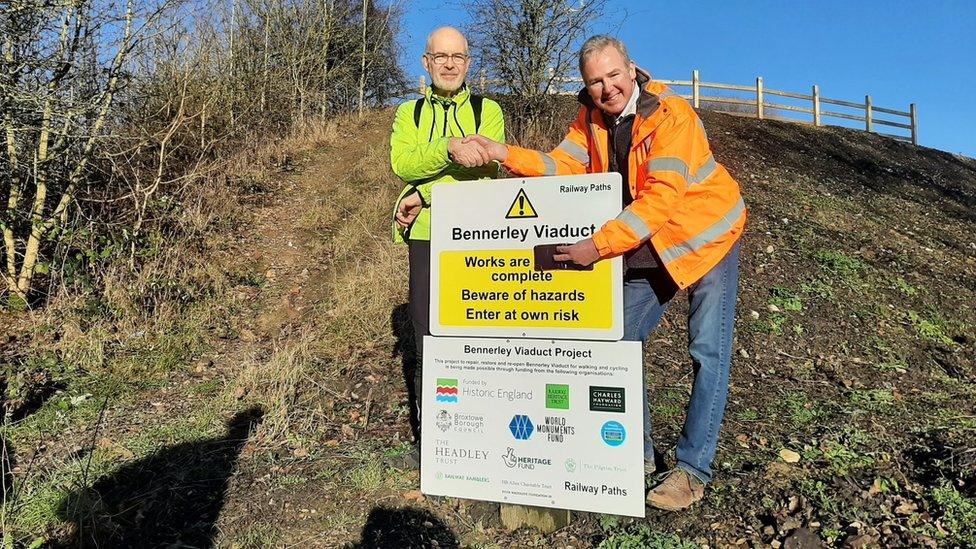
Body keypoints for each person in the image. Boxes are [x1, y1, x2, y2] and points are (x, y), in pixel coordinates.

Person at [464, 35, 745, 511]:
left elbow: (661, 199)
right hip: (647, 239)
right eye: (595, 81)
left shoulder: (671, 116)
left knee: (708, 350)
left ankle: (692, 470)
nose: (608, 87)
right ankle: (633, 455)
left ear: (632, 69)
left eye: (614, 75)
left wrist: (597, 246)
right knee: (617, 340)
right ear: (586, 85)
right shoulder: (590, 118)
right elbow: (563, 166)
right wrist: (501, 153)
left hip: (706, 234)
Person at [390, 27, 505, 465]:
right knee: (426, 337)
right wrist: (449, 149)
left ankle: (481, 433)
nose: (451, 64)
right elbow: (403, 163)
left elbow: (486, 173)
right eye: (441, 56)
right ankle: (436, 441)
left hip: (479, 233)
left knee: (474, 332)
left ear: (469, 61)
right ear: (426, 62)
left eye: (458, 56)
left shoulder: (488, 110)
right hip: (425, 235)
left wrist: (425, 194)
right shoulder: (408, 114)